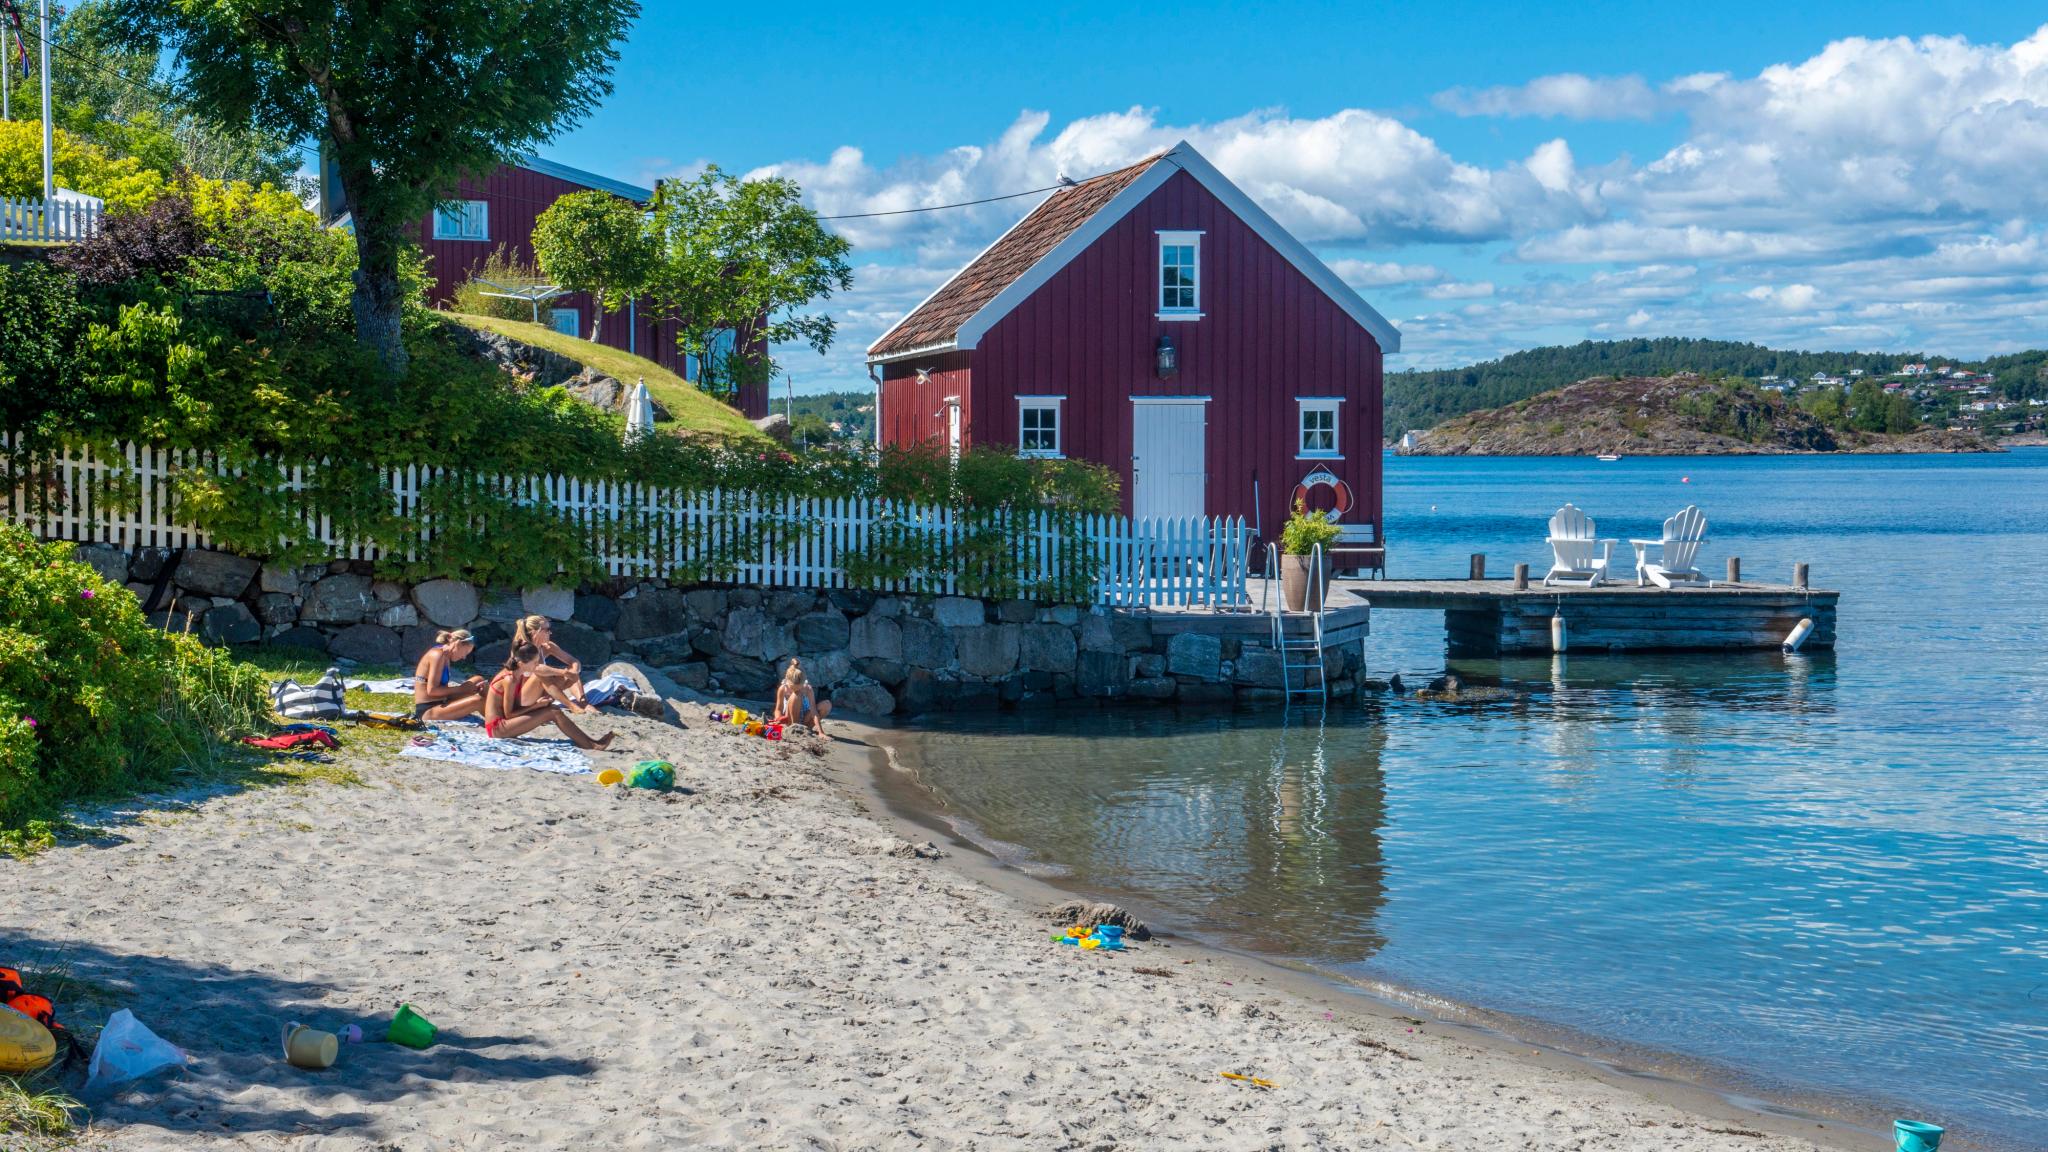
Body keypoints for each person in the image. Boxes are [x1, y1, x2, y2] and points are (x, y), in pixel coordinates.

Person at [484, 644, 616, 750]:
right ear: (522, 663)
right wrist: (536, 706)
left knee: (552, 709)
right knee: (553, 712)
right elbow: (509, 714)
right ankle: (592, 745)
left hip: (502, 724)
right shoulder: (510, 679)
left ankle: (591, 742)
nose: (537, 666)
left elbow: (513, 708)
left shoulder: (515, 674)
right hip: (497, 729)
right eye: (535, 663)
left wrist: (539, 705)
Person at [511, 615, 598, 713]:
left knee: (571, 671)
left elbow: (574, 661)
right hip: (523, 699)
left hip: (542, 693)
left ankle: (583, 703)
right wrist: (563, 672)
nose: (550, 632)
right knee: (540, 675)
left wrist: (573, 672)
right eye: (547, 629)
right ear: (535, 632)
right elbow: (537, 668)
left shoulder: (547, 646)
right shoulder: (523, 649)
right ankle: (571, 706)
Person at [412, 629, 487, 721]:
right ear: (457, 644)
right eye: (465, 653)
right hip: (428, 710)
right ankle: (497, 723)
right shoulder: (437, 655)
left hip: (442, 701)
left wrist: (465, 689)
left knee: (479, 680)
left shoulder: (445, 655)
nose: (464, 657)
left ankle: (498, 712)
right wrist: (461, 689)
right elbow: (432, 690)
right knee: (478, 701)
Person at [772, 660, 832, 736]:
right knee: (796, 695)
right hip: (790, 719)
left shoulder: (808, 689)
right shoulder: (783, 688)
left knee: (827, 704)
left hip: (804, 719)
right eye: (793, 688)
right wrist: (778, 719)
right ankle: (795, 728)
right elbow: (778, 709)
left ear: (803, 682)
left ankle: (806, 728)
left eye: (798, 688)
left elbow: (814, 711)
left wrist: (821, 732)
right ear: (787, 680)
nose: (795, 690)